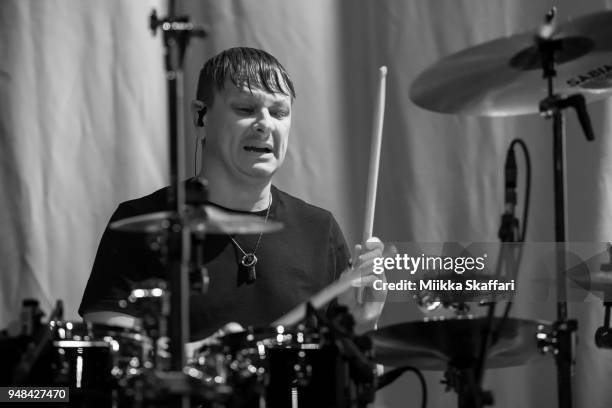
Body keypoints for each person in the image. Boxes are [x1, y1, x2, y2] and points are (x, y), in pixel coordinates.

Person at [79, 47, 386, 348]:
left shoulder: (319, 229)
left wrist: (361, 324)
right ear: (201, 118)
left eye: (279, 112)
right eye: (245, 109)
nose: (265, 124)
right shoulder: (139, 222)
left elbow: (350, 377)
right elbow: (105, 346)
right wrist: (203, 357)